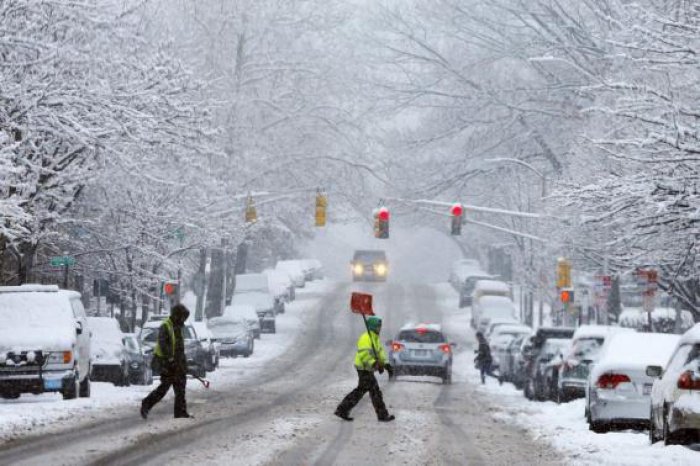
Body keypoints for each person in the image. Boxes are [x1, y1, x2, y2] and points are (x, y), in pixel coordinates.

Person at [335, 316, 395, 422]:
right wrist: (374, 363)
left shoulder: (375, 338)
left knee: (362, 390)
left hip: (368, 368)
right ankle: (382, 415)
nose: (380, 328)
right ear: (372, 327)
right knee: (374, 391)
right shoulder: (366, 338)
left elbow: (380, 353)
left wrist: (386, 365)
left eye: (380, 326)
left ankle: (342, 410)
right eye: (378, 326)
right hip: (363, 367)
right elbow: (364, 354)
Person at [141, 304, 192, 419]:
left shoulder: (178, 327)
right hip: (166, 364)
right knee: (164, 388)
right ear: (177, 315)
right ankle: (146, 403)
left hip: (178, 364)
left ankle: (180, 412)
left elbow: (180, 348)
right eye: (182, 317)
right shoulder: (166, 326)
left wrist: (183, 364)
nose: (184, 320)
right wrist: (171, 359)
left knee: (181, 388)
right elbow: (164, 345)